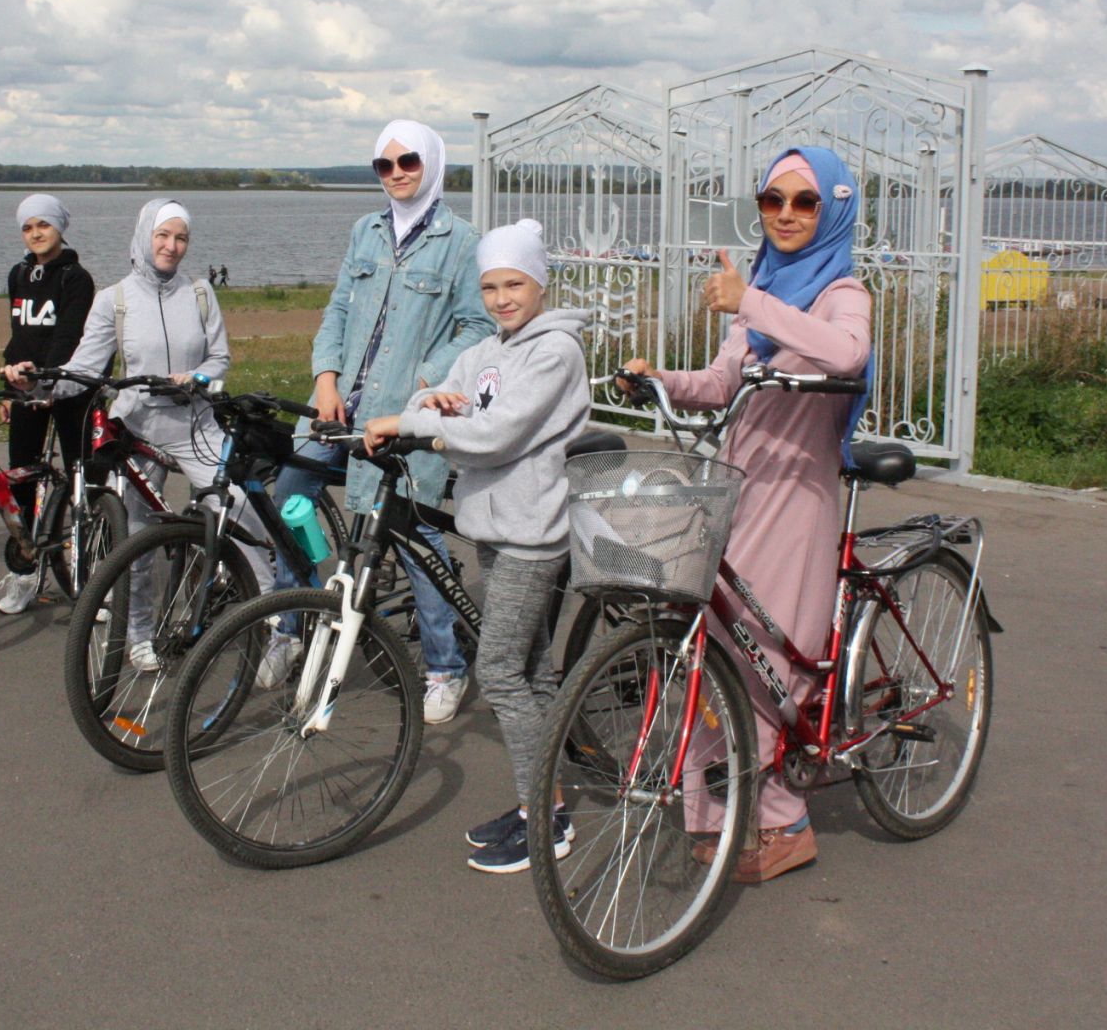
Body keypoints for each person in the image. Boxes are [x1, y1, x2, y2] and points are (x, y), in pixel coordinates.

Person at [621, 146, 873, 883]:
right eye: (772, 201)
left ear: (834, 208)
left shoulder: (841, 290)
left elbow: (848, 355)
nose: (787, 216)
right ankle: (714, 814)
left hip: (797, 497)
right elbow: (721, 380)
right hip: (738, 487)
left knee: (768, 661)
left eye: (805, 202)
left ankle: (785, 820)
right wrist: (659, 378)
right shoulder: (759, 282)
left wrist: (753, 304)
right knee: (716, 650)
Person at [368, 219, 589, 873]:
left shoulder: (555, 352)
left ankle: (543, 821)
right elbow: (438, 390)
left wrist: (417, 424)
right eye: (490, 286)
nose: (501, 298)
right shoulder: (488, 349)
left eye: (514, 283)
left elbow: (496, 434)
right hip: (495, 529)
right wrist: (431, 401)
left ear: (539, 283)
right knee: (533, 672)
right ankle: (539, 805)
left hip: (532, 532)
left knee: (497, 673)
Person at [260, 120, 493, 723]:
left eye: (408, 161)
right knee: (291, 496)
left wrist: (423, 385)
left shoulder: (462, 242)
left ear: (432, 163)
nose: (396, 174)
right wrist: (325, 378)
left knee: (415, 536)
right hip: (340, 409)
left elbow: (478, 328)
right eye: (383, 166)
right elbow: (338, 308)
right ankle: (292, 624)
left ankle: (445, 666)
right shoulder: (364, 231)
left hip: (403, 418)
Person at [14, 197, 269, 671]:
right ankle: (138, 634)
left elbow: (219, 360)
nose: (172, 247)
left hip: (196, 425)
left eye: (181, 238)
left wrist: (197, 379)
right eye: (163, 236)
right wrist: (40, 380)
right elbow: (84, 371)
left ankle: (271, 624)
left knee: (237, 510)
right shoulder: (115, 298)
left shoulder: (199, 293)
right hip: (137, 429)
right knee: (135, 538)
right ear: (145, 236)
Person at [0, 194, 95, 613]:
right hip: (28, 385)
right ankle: (25, 573)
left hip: (68, 386)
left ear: (59, 228)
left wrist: (46, 381)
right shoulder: (18, 274)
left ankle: (90, 573)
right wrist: (10, 383)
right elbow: (20, 335)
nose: (35, 234)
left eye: (43, 225)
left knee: (80, 481)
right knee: (21, 477)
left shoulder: (77, 278)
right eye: (27, 227)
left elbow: (67, 336)